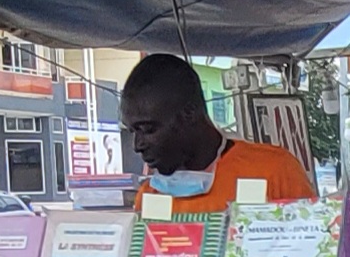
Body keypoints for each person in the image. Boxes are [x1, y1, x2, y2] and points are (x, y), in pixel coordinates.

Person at [121, 53, 314, 214]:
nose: (137, 145)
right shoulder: (150, 197)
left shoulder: (273, 171)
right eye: (132, 131)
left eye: (148, 129)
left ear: (189, 113)